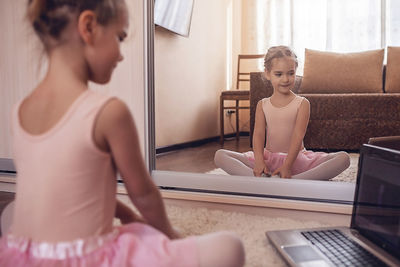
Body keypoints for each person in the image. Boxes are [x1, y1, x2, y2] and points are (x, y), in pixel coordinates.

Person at [0, 1, 245, 266]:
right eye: (119, 37)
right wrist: (171, 236)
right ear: (89, 27)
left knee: (10, 215)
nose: (120, 55)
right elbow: (144, 195)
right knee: (230, 247)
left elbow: (63, 188)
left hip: (26, 255)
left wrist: (126, 214)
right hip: (90, 258)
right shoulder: (108, 112)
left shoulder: (19, 111)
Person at [215, 46, 350, 180]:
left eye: (290, 73)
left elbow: (298, 135)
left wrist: (287, 165)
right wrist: (259, 161)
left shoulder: (302, 103)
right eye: (279, 74)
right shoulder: (263, 104)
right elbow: (258, 134)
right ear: (267, 73)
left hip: (296, 160)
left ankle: (291, 181)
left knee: (343, 158)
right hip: (268, 160)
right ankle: (263, 178)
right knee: (220, 155)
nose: (285, 79)